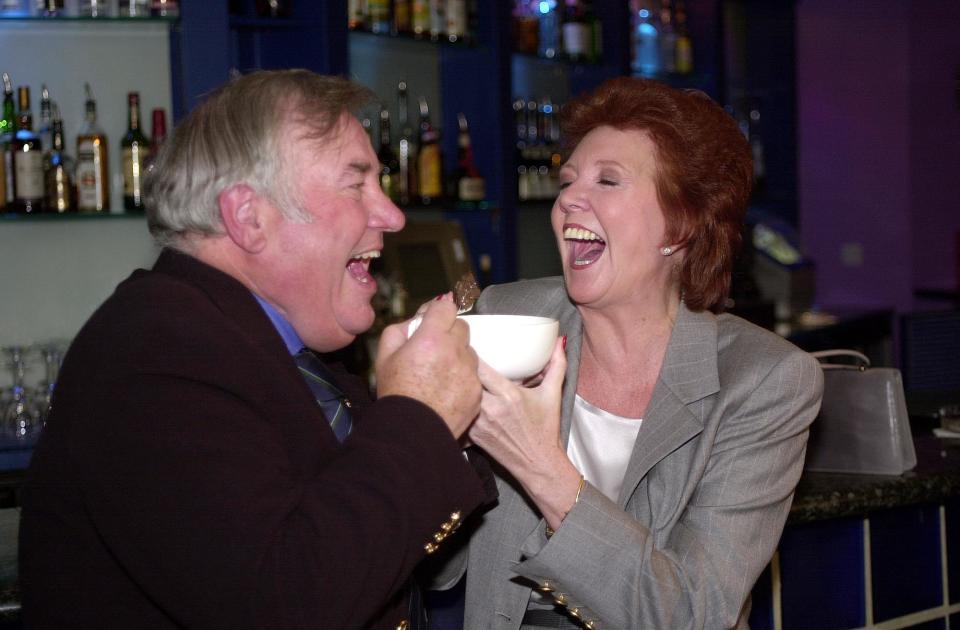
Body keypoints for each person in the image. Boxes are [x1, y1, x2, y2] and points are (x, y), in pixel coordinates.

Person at [18, 70, 494, 629]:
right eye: (355, 184)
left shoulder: (286, 343)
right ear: (249, 218)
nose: (391, 215)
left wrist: (464, 424)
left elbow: (367, 546)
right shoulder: (151, 354)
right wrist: (420, 416)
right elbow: (282, 604)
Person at [429, 77, 824, 629]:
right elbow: (437, 569)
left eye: (607, 180)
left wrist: (540, 468)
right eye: (566, 180)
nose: (568, 197)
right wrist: (427, 430)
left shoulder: (764, 380)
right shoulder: (506, 320)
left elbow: (696, 613)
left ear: (681, 226)